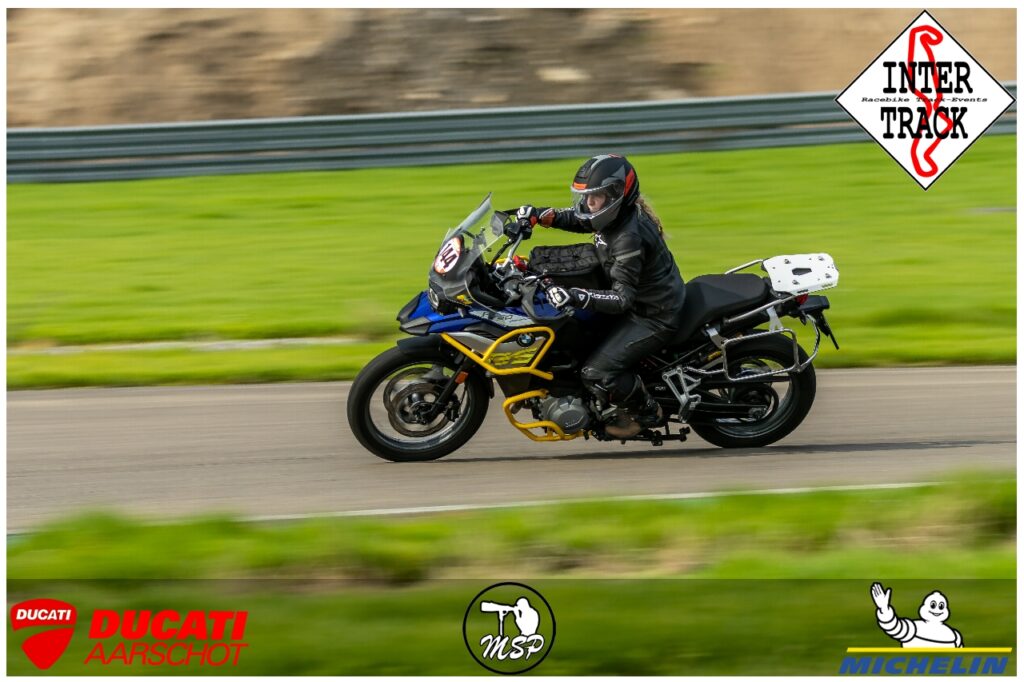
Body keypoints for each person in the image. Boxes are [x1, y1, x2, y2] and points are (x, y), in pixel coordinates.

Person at [507, 154, 687, 438]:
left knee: (596, 373)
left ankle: (648, 412)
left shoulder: (628, 237)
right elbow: (580, 220)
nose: (588, 203)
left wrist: (575, 296)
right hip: (638, 300)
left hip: (652, 314)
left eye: (596, 197)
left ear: (617, 195)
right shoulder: (614, 216)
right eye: (586, 196)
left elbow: (622, 299)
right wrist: (539, 216)